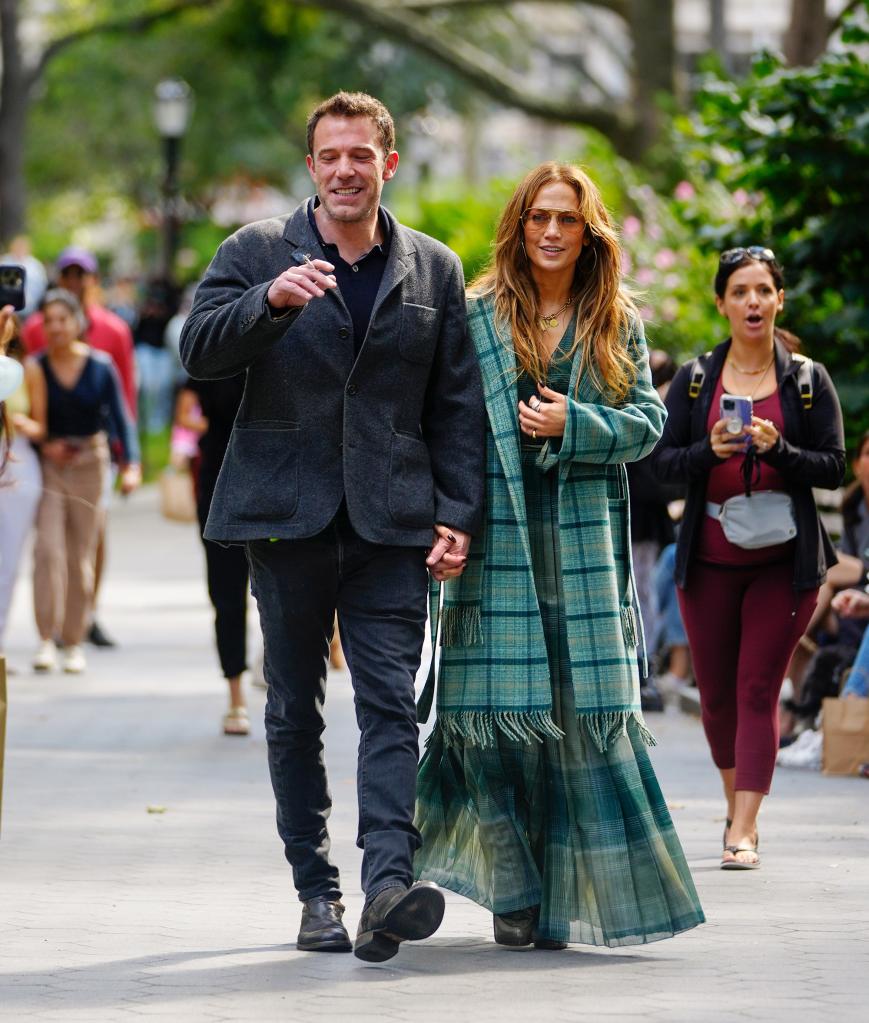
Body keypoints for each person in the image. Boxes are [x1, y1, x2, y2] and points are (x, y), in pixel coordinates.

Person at [180, 91, 485, 962]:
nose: (345, 169)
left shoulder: (433, 267)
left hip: (392, 519)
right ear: (311, 167)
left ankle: (387, 883)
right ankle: (317, 891)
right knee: (292, 712)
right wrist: (268, 303)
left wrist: (457, 513)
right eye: (329, 156)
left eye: (361, 155)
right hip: (285, 517)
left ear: (388, 164)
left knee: (391, 703)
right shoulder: (254, 251)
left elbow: (454, 404)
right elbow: (196, 349)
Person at [414, 163, 705, 949]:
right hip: (495, 549)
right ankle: (514, 892)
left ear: (588, 233)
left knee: (579, 729)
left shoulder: (615, 321)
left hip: (580, 555)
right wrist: (443, 522)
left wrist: (574, 424)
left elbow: (648, 423)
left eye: (566, 220)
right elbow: (440, 426)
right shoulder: (473, 315)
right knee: (487, 735)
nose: (550, 231)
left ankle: (565, 899)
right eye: (538, 216)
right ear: (518, 224)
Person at [652, 246, 845, 869]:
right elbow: (660, 467)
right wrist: (709, 450)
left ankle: (744, 827)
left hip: (783, 565)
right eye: (740, 292)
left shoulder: (808, 381)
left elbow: (834, 467)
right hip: (707, 562)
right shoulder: (697, 378)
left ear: (778, 299)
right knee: (716, 697)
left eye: (763, 290)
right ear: (722, 303)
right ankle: (739, 805)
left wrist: (781, 449)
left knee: (757, 687)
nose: (753, 302)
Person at [23, 247, 138, 649]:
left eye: (80, 273)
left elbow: (124, 399)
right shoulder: (37, 329)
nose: (74, 279)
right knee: (51, 548)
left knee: (89, 544)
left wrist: (130, 460)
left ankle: (87, 616)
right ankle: (51, 630)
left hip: (94, 455)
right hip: (52, 457)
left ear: (91, 279)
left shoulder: (113, 334)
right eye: (67, 273)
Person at [174, 375, 251, 735]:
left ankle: (283, 684)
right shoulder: (213, 348)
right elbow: (184, 412)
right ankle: (236, 696)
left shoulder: (288, 338)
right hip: (218, 486)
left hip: (280, 487)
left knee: (287, 597)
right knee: (227, 596)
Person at [0, 315, 45, 663]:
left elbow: (41, 426)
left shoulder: (25, 369)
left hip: (18, 464)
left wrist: (23, 424)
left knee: (9, 560)